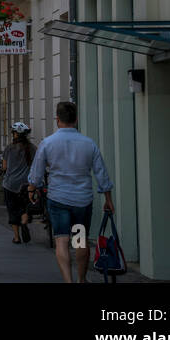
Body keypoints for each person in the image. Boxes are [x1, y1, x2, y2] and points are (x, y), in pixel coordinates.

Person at [27, 101, 113, 283]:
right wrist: (107, 198)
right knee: (80, 241)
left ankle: (68, 280)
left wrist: (32, 188)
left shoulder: (47, 143)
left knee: (61, 240)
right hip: (82, 201)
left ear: (57, 120)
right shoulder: (89, 144)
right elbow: (101, 173)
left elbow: (36, 173)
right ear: (76, 119)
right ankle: (82, 279)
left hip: (58, 199)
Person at [3, 121, 36, 244]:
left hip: (10, 184)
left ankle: (16, 237)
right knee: (24, 207)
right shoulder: (32, 148)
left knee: (12, 209)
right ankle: (24, 219)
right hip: (26, 185)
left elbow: (5, 166)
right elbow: (36, 164)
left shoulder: (9, 148)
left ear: (15, 134)